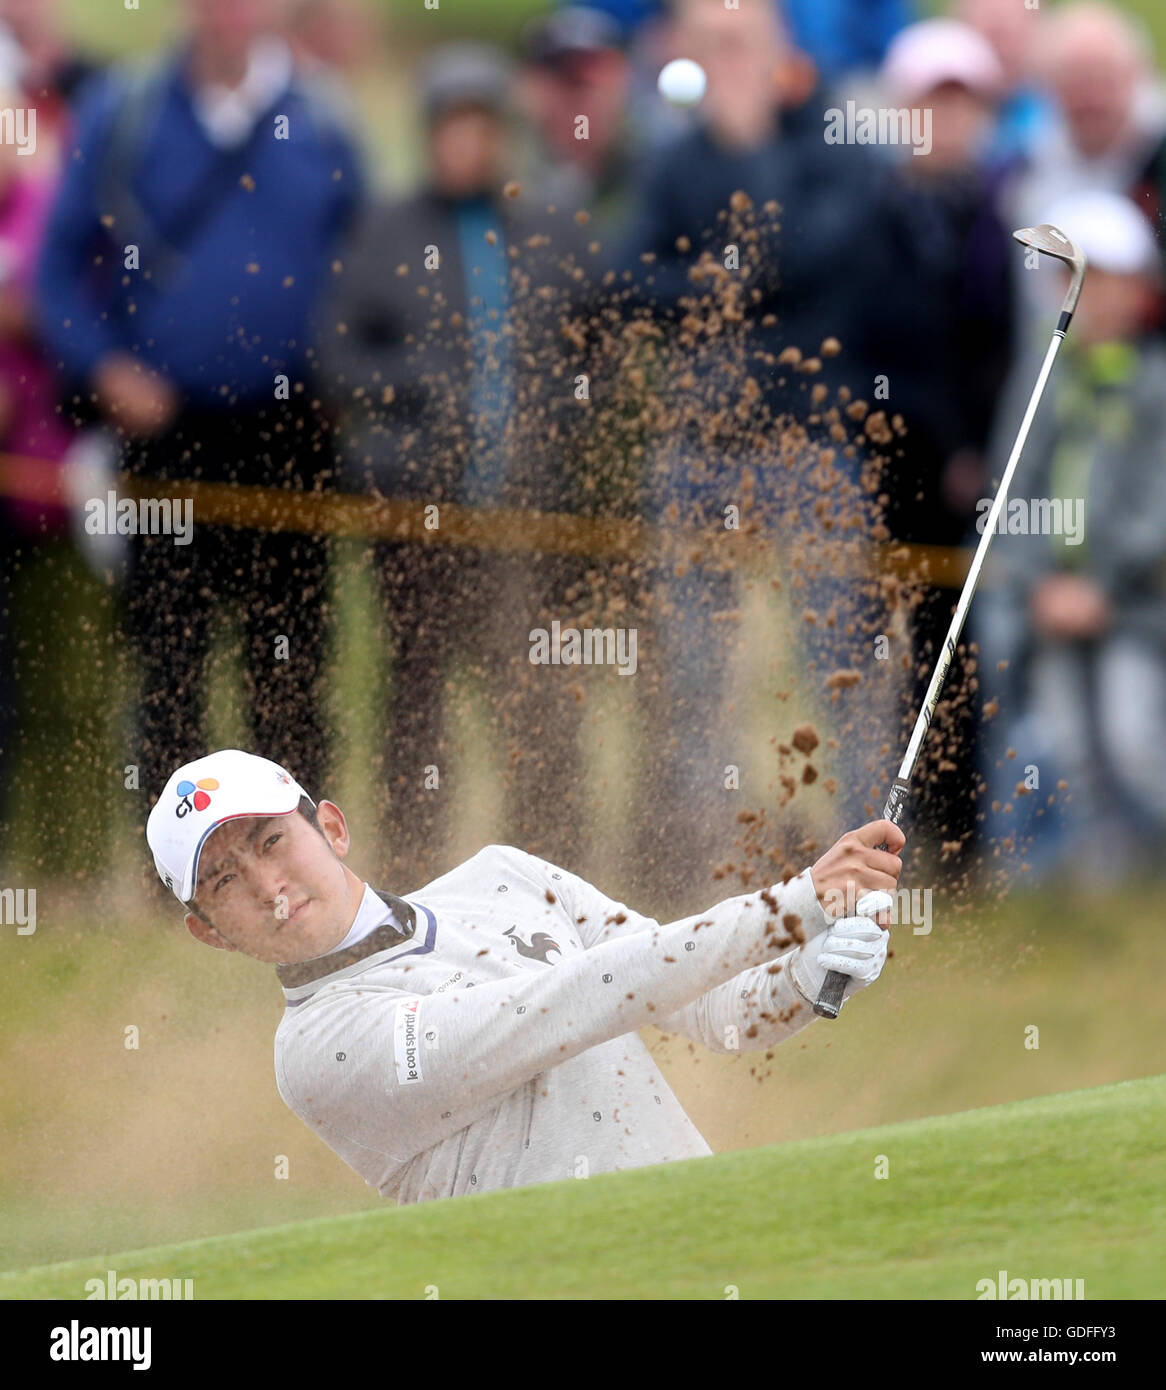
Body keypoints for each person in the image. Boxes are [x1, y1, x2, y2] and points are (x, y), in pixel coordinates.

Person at [146, 747, 905, 1203]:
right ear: (207, 934)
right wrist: (796, 903)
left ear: (332, 828)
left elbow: (725, 1014)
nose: (268, 887)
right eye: (223, 881)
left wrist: (808, 973)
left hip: (708, 1242)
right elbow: (560, 1008)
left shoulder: (505, 877)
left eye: (273, 841)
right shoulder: (318, 1053)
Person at [35, 0, 364, 803]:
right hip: (165, 436)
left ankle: (299, 869)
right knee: (168, 661)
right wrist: (105, 367)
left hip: (291, 437)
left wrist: (350, 377)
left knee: (289, 665)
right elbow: (53, 269)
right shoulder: (126, 110)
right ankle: (175, 875)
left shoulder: (323, 120)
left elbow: (368, 265)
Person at [320, 43, 595, 886]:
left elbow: (594, 350)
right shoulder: (385, 230)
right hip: (416, 514)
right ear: (430, 134)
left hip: (522, 517)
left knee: (534, 694)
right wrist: (420, 390)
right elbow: (336, 357)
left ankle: (549, 872)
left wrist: (563, 423)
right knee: (417, 699)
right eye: (453, 126)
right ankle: (408, 868)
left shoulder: (543, 228)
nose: (468, 143)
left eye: (482, 126)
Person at [975, 190, 1166, 886]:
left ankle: (1152, 880)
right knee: (1068, 752)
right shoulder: (1040, 381)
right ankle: (1104, 896)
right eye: (1077, 279)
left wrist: (1102, 584)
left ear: (1140, 291)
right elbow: (1008, 496)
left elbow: (1155, 508)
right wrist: (1041, 582)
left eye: (1111, 279)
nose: (1094, 296)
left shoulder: (1154, 385)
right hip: (1050, 608)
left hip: (1135, 612)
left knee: (1134, 741)